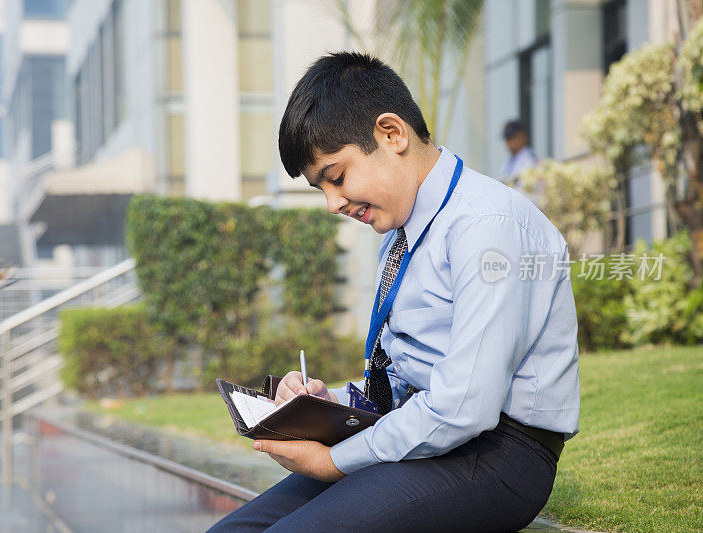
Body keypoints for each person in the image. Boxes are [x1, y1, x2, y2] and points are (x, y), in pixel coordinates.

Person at [208, 52, 579, 532]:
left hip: (498, 455)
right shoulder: (399, 238)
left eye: (335, 177)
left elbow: (464, 407)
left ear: (392, 134)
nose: (332, 203)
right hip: (422, 435)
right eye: (321, 188)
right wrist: (329, 406)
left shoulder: (487, 227)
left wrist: (334, 462)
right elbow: (401, 382)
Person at [500, 119, 539, 184]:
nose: (508, 142)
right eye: (506, 139)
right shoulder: (511, 160)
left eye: (512, 138)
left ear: (523, 136)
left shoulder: (531, 160)